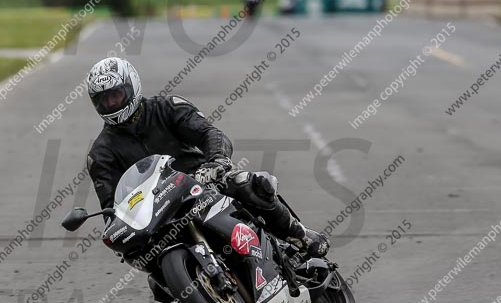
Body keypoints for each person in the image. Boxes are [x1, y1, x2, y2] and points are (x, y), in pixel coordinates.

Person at [84, 57, 330, 262]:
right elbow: (112, 208)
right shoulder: (100, 154)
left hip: (202, 181)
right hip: (158, 213)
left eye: (115, 95)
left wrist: (216, 161)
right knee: (153, 274)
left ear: (131, 87)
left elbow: (209, 133)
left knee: (246, 183)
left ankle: (299, 234)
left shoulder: (167, 107)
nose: (111, 103)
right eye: (104, 99)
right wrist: (119, 231)